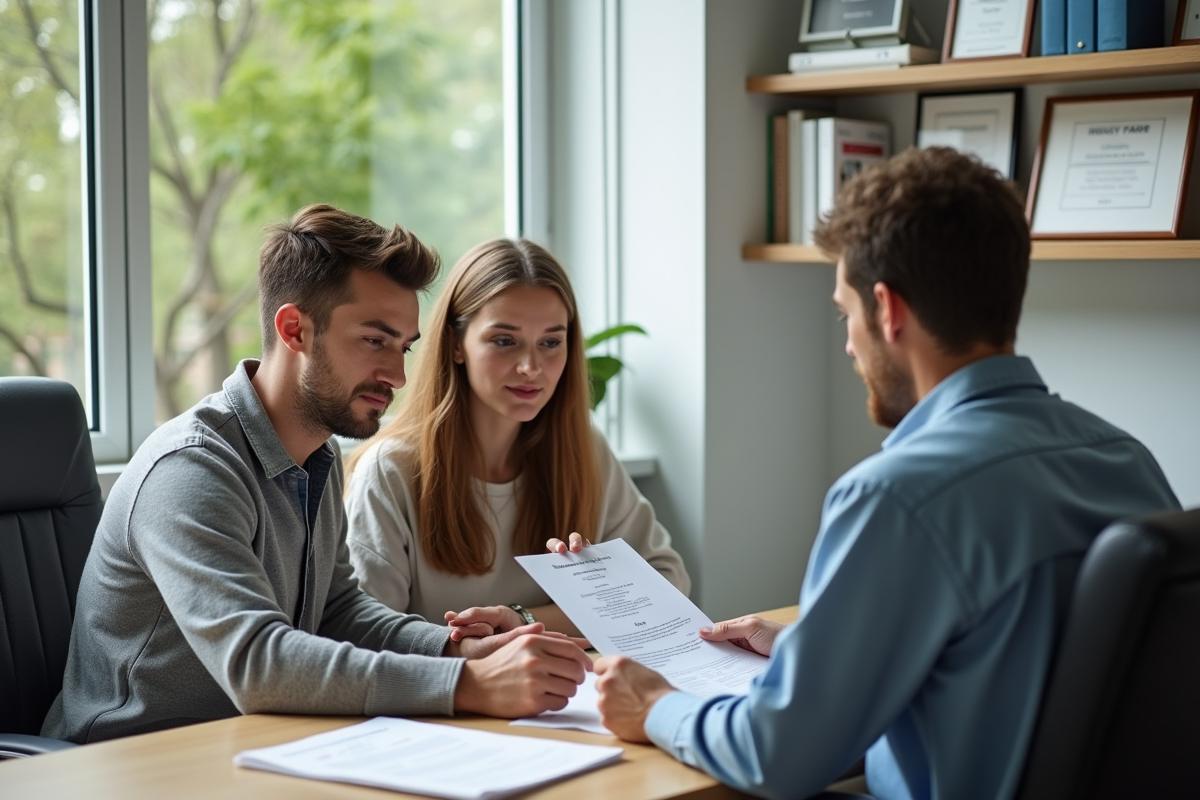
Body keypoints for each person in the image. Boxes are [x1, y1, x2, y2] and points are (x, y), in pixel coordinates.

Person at [591, 147, 1181, 800]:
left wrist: (655, 706)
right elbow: (1041, 655)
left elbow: (777, 756)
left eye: (846, 313)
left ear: (888, 309)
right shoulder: (1124, 457)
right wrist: (820, 646)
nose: (848, 342)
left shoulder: (898, 496)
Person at [43, 205, 591, 744]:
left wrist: (453, 650)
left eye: (403, 347)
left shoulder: (317, 455)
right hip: (129, 761)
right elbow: (258, 663)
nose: (398, 375)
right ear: (294, 329)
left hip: (251, 748)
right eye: (374, 341)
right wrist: (466, 683)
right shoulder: (190, 468)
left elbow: (337, 610)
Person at [343, 238, 689, 639]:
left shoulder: (584, 451)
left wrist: (526, 617)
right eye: (505, 341)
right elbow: (367, 637)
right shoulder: (390, 472)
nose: (531, 367)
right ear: (457, 345)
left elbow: (669, 582)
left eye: (550, 342)